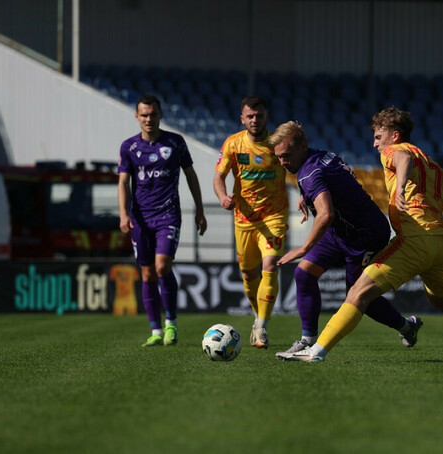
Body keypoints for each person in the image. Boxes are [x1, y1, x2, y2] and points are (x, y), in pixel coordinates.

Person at [278, 106, 443, 362]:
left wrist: (400, 187)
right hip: (441, 244)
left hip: (414, 240)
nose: (375, 144)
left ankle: (315, 352)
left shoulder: (394, 151)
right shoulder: (431, 165)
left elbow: (402, 158)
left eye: (378, 137)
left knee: (357, 293)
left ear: (395, 135)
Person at [267, 121, 423, 357]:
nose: (282, 162)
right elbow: (328, 181)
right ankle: (307, 340)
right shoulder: (322, 155)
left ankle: (407, 327)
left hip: (366, 235)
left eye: (286, 155)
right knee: (304, 274)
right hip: (340, 232)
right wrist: (305, 196)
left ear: (302, 146)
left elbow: (326, 214)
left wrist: (303, 248)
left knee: (358, 296)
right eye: (278, 157)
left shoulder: (309, 172)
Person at [118, 94, 207, 347]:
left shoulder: (175, 143)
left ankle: (171, 323)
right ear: (137, 116)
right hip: (140, 218)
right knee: (147, 275)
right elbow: (123, 181)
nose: (149, 119)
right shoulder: (129, 147)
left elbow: (191, 176)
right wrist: (123, 213)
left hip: (168, 215)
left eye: (153, 114)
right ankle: (156, 331)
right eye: (144, 115)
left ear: (161, 115)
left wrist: (200, 210)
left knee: (162, 267)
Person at [213, 96, 289, 348]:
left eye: (259, 115)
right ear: (242, 118)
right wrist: (223, 196)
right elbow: (219, 177)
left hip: (274, 215)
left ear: (266, 116)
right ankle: (258, 318)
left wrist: (306, 194)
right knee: (248, 273)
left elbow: (297, 168)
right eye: (250, 116)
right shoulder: (233, 144)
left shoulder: (277, 143)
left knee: (271, 265)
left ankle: (262, 327)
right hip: (244, 219)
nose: (255, 120)